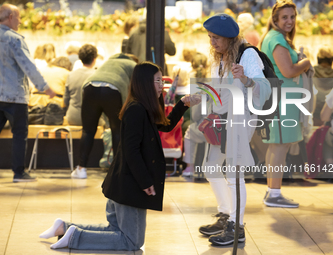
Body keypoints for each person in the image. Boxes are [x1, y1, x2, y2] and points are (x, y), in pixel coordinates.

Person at [39, 62, 197, 250]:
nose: (161, 85)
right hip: (131, 185)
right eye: (157, 81)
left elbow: (166, 124)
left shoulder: (143, 108)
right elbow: (132, 151)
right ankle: (74, 237)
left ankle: (64, 228)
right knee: (132, 242)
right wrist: (146, 182)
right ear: (144, 83)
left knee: (115, 229)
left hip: (123, 183)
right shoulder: (137, 110)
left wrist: (183, 104)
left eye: (161, 80)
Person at [197, 14, 271, 246]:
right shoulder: (218, 57)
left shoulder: (247, 54)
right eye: (210, 37)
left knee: (233, 172)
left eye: (216, 38)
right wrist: (198, 96)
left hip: (241, 119)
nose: (212, 42)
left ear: (230, 38)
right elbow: (216, 89)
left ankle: (236, 226)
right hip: (221, 119)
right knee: (210, 167)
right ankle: (225, 214)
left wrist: (247, 79)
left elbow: (265, 88)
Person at [259, 0, 311, 207]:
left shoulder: (273, 38)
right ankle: (274, 194)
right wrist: (305, 62)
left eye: (292, 17)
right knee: (280, 147)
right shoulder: (277, 39)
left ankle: (272, 191)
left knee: (276, 147)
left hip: (279, 99)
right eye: (285, 17)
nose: (290, 21)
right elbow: (288, 71)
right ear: (275, 20)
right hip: (283, 101)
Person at [0, 4, 55, 182]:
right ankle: (18, 173)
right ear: (10, 17)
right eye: (18, 17)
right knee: (19, 134)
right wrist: (45, 87)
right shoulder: (14, 39)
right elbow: (28, 65)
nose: (21, 21)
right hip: (15, 96)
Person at [71, 53, 138, 179]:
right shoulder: (133, 65)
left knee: (88, 130)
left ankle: (81, 168)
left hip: (89, 87)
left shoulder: (108, 61)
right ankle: (117, 169)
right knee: (117, 130)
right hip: (113, 90)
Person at [63, 44, 98, 126]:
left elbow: (66, 100)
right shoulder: (98, 75)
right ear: (94, 59)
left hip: (73, 117)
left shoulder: (71, 75)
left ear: (80, 58)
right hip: (93, 118)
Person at [313, 46, 333, 126]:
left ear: (318, 59)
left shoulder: (310, 74)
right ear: (332, 60)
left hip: (312, 118)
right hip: (329, 121)